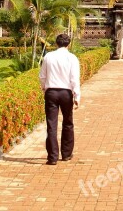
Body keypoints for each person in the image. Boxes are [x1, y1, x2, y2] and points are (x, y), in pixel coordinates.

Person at [39, 33, 80, 165]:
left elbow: (42, 76)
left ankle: (52, 157)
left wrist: (44, 89)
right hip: (66, 92)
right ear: (69, 44)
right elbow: (74, 79)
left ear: (57, 43)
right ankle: (66, 154)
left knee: (51, 124)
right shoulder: (72, 58)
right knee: (68, 122)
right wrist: (77, 96)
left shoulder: (48, 56)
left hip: (51, 91)